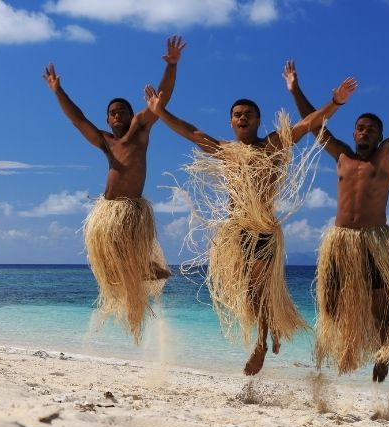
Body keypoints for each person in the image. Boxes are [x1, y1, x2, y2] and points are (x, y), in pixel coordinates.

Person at [144, 75, 357, 375]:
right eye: (237, 115)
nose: (242, 118)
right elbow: (191, 132)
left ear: (258, 120)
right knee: (248, 292)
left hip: (265, 230)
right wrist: (160, 111)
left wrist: (335, 102)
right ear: (231, 122)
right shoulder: (225, 151)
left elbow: (308, 123)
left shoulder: (272, 145)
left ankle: (260, 345)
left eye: (248, 114)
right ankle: (274, 328)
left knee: (258, 290)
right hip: (236, 232)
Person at [284, 44, 389, 382]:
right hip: (340, 239)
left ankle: (383, 351)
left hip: (374, 240)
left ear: (380, 134)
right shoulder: (342, 154)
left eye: (372, 128)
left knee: (378, 299)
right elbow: (313, 125)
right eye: (360, 127)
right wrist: (295, 89)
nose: (365, 132)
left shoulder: (387, 155)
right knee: (330, 297)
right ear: (354, 131)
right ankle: (341, 343)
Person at [43, 36, 186, 342]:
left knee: (126, 255)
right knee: (108, 267)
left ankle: (143, 269)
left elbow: (162, 99)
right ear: (107, 119)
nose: (118, 115)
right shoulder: (105, 141)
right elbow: (78, 119)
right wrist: (58, 91)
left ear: (132, 113)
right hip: (108, 209)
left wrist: (172, 66)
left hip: (132, 209)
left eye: (123, 110)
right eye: (113, 113)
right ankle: (138, 275)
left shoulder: (141, 130)